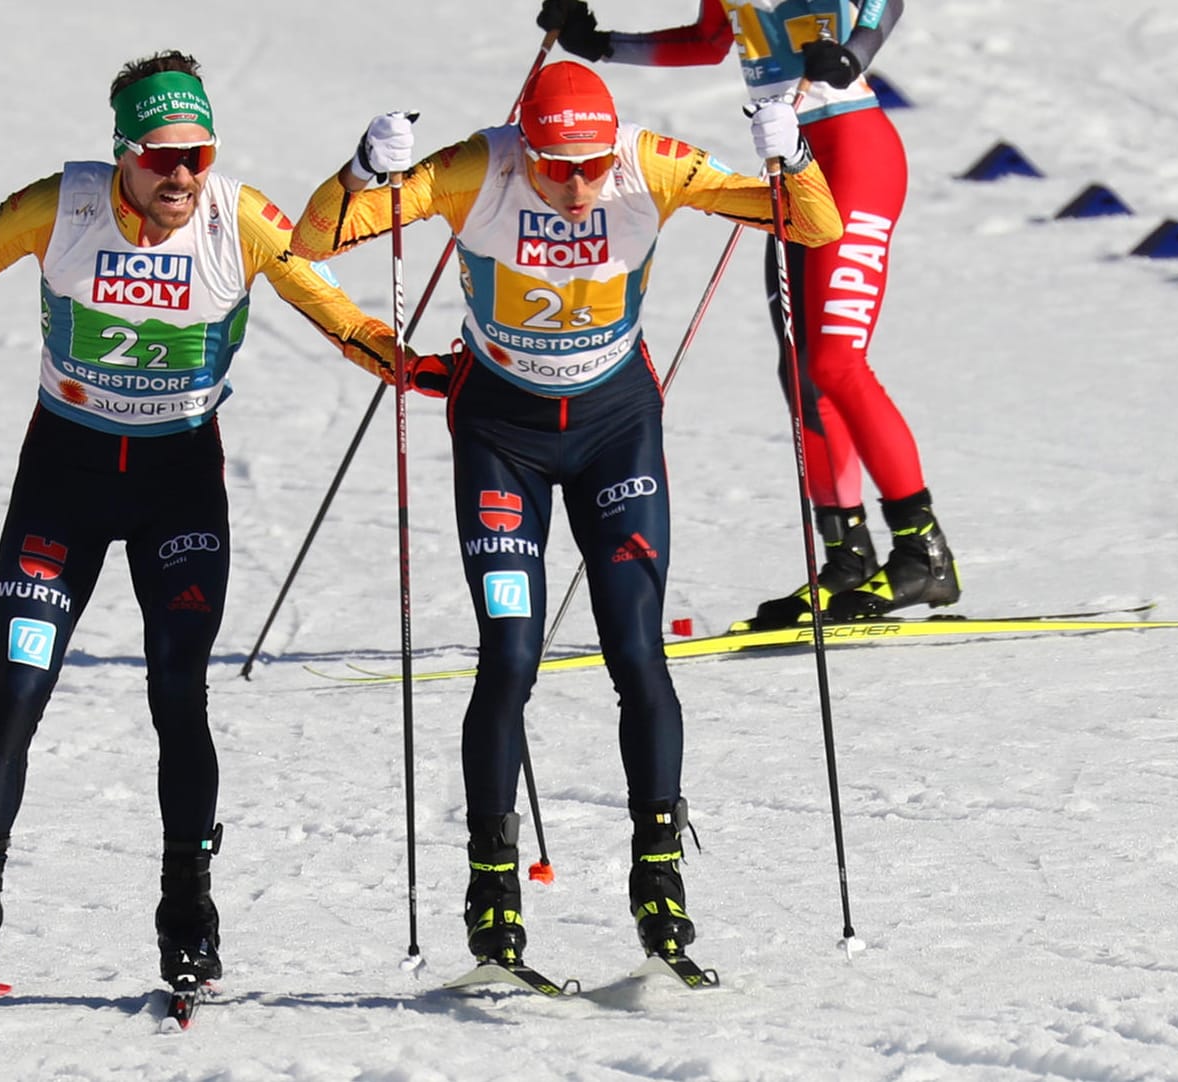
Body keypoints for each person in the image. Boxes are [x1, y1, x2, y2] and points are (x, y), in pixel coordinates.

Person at [291, 61, 840, 966]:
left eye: (591, 166)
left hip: (613, 426)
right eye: (555, 166)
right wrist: (358, 170)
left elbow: (809, 224)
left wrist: (794, 158)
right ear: (525, 147)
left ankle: (658, 874)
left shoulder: (651, 164)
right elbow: (317, 240)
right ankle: (490, 884)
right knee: (510, 653)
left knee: (635, 647)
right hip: (500, 433)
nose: (578, 186)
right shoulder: (477, 168)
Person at [0, 50, 400, 991]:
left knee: (176, 694)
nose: (182, 176)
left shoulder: (238, 218)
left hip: (177, 485)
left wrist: (426, 369)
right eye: (161, 158)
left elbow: (340, 318)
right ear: (121, 154)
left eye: (197, 154)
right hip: (63, 479)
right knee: (19, 691)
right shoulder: (59, 206)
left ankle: (187, 910)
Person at [538, 0, 961, 628]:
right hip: (794, 165)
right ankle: (846, 558)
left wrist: (857, 52)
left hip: (852, 152)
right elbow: (711, 40)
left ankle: (923, 550)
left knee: (837, 362)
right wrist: (601, 45)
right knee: (802, 373)